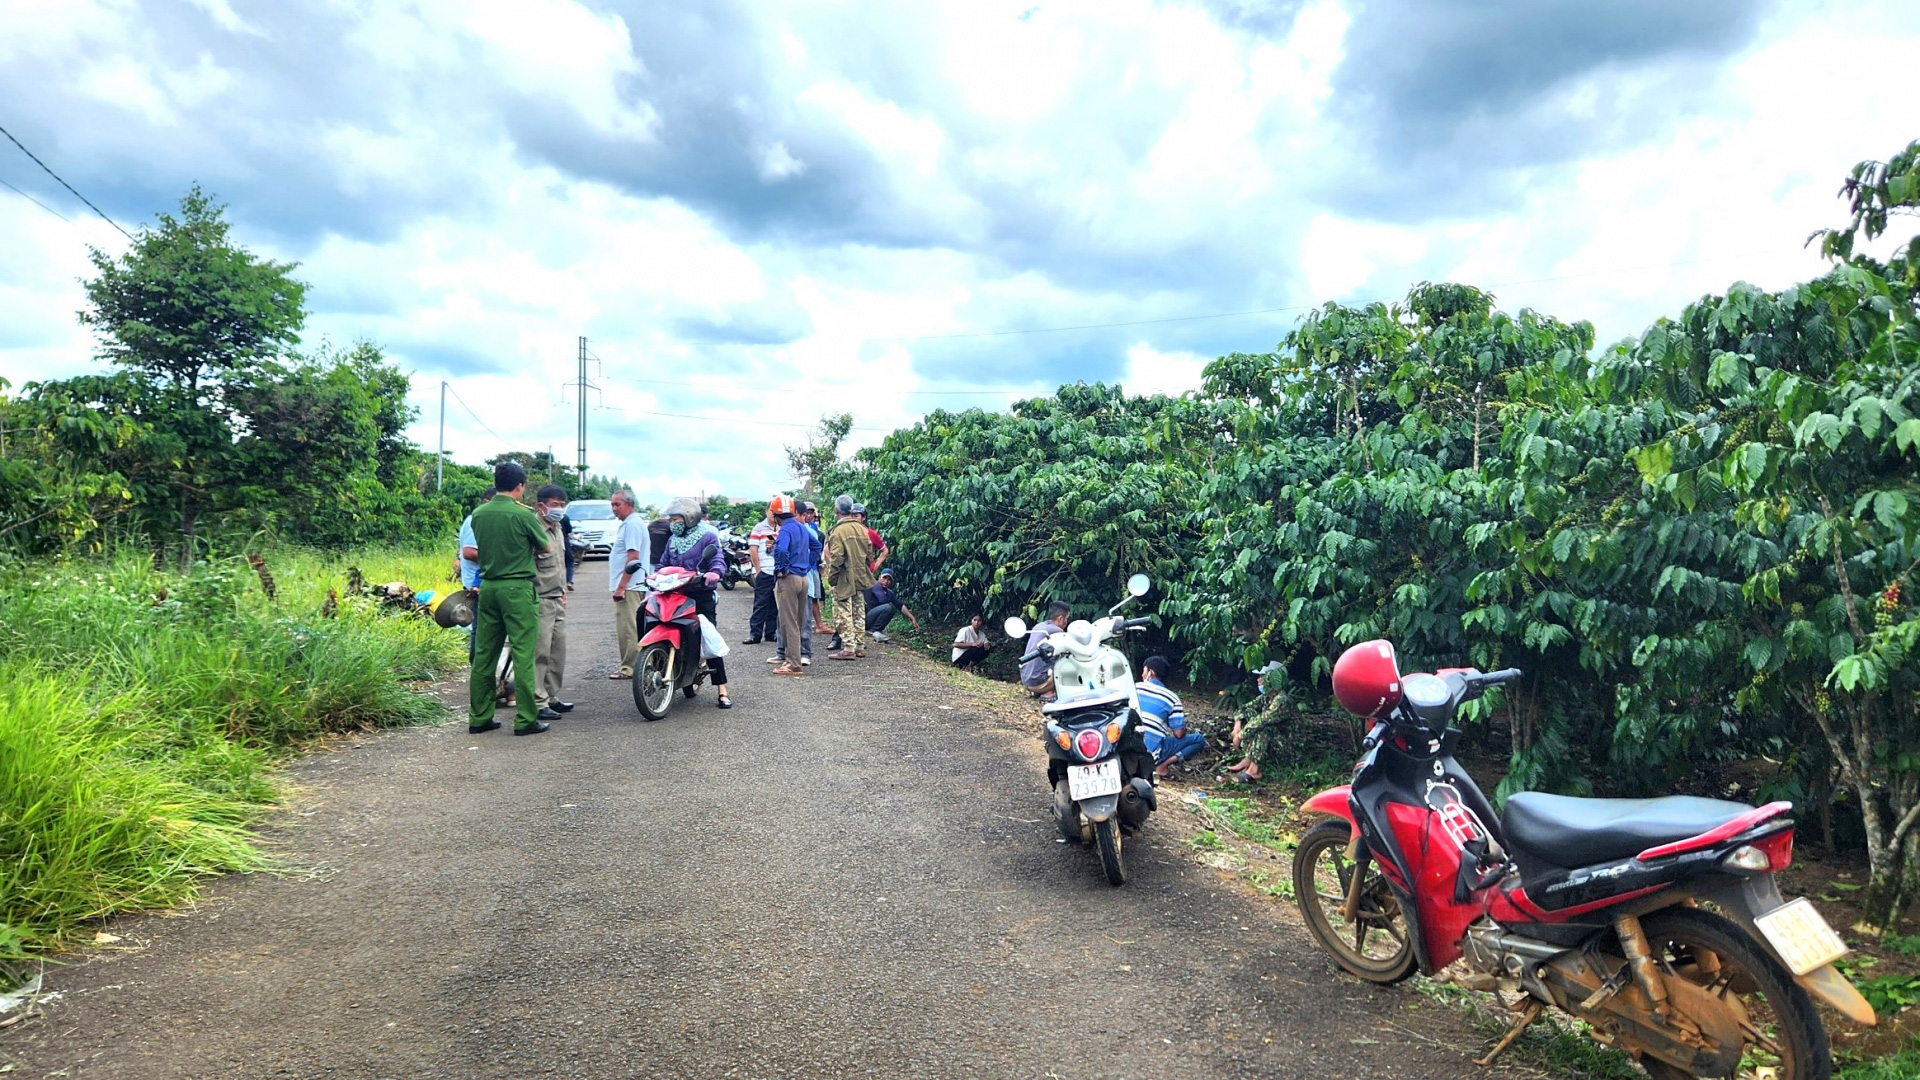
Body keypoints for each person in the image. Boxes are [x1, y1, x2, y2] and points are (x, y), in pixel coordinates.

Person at [468, 462, 552, 736]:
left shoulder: (479, 514)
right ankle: (526, 719)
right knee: (523, 654)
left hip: (488, 586)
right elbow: (545, 546)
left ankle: (480, 717)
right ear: (520, 486)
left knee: (484, 656)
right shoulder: (523, 515)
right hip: (517, 589)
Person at [656, 497, 733, 708]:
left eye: (676, 518)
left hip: (699, 595)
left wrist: (715, 573)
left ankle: (722, 690)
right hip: (673, 594)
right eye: (671, 519)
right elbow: (663, 564)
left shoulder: (707, 537)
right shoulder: (673, 541)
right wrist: (654, 576)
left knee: (708, 638)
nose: (673, 523)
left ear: (689, 518)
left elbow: (717, 559)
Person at [532, 484, 573, 721]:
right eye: (555, 505)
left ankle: (550, 695)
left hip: (557, 596)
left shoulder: (557, 528)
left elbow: (559, 562)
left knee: (558, 651)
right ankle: (538, 702)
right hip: (540, 598)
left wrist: (564, 590)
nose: (559, 510)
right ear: (541, 506)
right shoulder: (534, 528)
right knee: (540, 652)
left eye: (561, 505)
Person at [825, 495, 876, 660]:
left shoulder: (838, 531)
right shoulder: (862, 529)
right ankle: (860, 645)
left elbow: (837, 557)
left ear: (836, 510)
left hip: (844, 576)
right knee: (859, 611)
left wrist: (831, 577)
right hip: (860, 575)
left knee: (843, 612)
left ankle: (848, 647)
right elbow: (870, 553)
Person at [608, 489, 651, 680]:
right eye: (612, 504)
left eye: (618, 504)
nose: (614, 508)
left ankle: (631, 668)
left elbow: (633, 558)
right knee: (632, 627)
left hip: (631, 587)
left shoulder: (632, 525)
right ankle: (637, 665)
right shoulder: (629, 524)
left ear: (629, 504)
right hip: (633, 585)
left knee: (628, 628)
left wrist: (621, 586)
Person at [1137, 655, 1203, 778]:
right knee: (1198, 740)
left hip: (1126, 750)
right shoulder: (1172, 698)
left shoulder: (1134, 688)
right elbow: (1178, 734)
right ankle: (1162, 767)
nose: (1142, 675)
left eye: (1144, 671)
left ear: (1150, 673)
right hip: (1151, 755)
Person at [770, 495, 813, 676]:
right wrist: (807, 563)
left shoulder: (785, 530)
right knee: (798, 619)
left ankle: (794, 664)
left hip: (789, 579)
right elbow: (817, 546)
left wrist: (782, 568)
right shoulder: (801, 527)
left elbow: (781, 549)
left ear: (775, 514)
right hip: (803, 578)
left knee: (789, 622)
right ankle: (791, 659)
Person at [745, 502, 780, 644]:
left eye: (775, 511)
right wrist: (758, 569)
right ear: (766, 512)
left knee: (774, 605)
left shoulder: (782, 527)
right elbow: (753, 550)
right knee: (760, 604)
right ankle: (755, 634)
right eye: (771, 511)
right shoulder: (759, 528)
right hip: (764, 571)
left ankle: (771, 633)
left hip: (778, 571)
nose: (773, 514)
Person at [1021, 601, 1071, 700]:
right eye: (1066, 618)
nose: (1067, 622)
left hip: (1026, 680)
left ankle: (1040, 690)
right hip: (1037, 682)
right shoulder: (1057, 632)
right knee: (1069, 662)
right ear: (1060, 618)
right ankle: (1047, 693)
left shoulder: (1039, 626)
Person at [863, 568, 920, 642]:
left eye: (889, 579)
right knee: (889, 607)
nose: (886, 581)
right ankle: (874, 631)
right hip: (866, 617)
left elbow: (900, 605)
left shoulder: (889, 593)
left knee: (892, 607)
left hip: (872, 618)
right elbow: (882, 599)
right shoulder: (874, 586)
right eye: (884, 578)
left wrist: (912, 618)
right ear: (879, 577)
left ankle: (877, 629)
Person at [853, 503, 888, 574]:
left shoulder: (871, 534)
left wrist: (874, 567)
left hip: (866, 574)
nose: (853, 518)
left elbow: (885, 550)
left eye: (856, 516)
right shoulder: (846, 533)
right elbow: (828, 549)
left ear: (863, 518)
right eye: (851, 516)